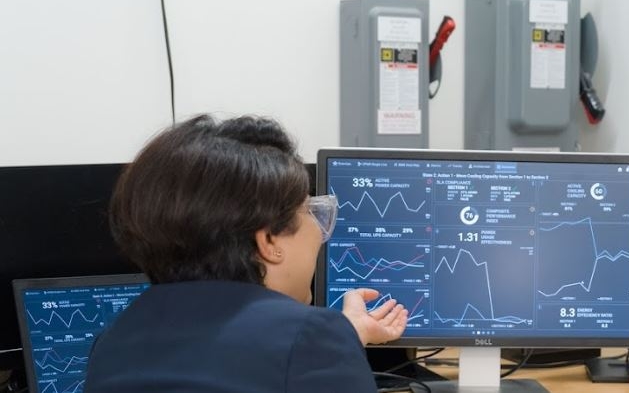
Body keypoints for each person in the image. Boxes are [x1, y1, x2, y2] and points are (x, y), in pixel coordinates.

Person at [85, 114, 409, 393]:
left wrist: (345, 334)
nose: (320, 233)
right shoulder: (311, 339)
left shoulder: (114, 341)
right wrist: (333, 340)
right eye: (309, 212)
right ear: (268, 240)